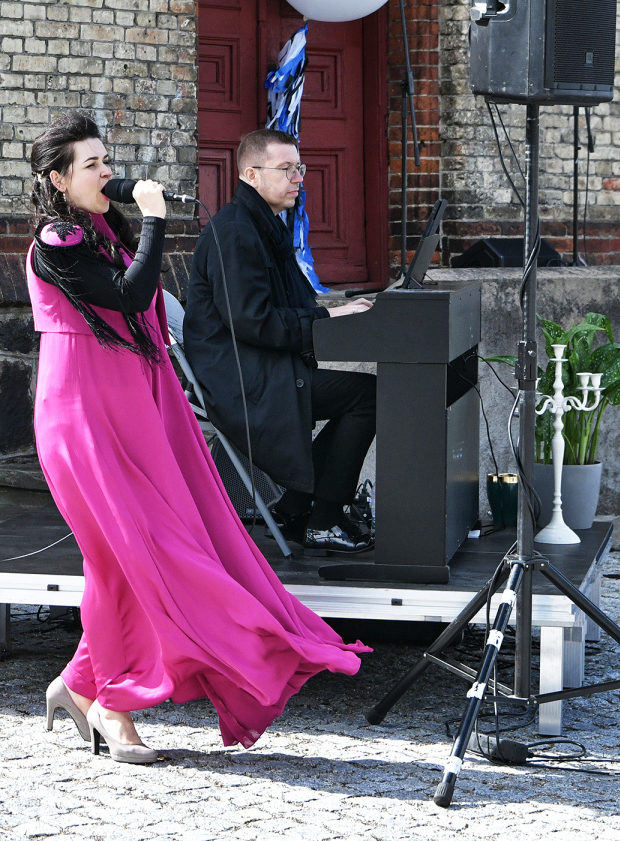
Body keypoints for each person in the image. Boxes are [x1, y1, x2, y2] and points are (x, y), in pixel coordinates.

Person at [26, 113, 369, 764]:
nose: (107, 172)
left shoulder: (100, 232)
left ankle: (80, 684)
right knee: (130, 558)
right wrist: (155, 221)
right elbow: (131, 298)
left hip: (128, 407)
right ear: (59, 179)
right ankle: (114, 704)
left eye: (106, 159)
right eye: (92, 164)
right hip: (83, 417)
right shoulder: (57, 240)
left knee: (134, 556)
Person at [184, 129, 377, 555]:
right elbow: (253, 321)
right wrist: (327, 317)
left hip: (262, 367)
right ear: (251, 175)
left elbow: (288, 302)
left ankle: (296, 508)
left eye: (299, 168)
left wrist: (337, 309)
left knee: (366, 395)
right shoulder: (236, 232)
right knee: (369, 397)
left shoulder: (262, 224)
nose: (298, 178)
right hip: (242, 381)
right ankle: (322, 520)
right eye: (286, 169)